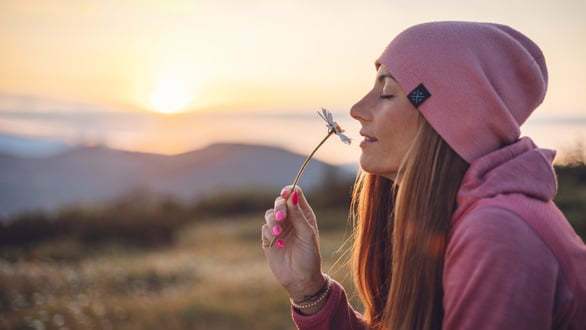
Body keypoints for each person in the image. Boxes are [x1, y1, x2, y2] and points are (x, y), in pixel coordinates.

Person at [261, 21, 586, 330]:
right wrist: (309, 290)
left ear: (448, 117)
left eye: (387, 92)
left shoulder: (500, 234)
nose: (357, 109)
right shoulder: (456, 219)